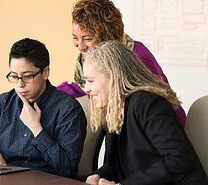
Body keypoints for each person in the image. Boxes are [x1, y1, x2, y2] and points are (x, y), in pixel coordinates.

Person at [83, 41, 208, 185]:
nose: (86, 89)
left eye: (90, 81)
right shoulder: (114, 109)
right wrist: (98, 175)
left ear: (114, 76)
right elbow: (117, 165)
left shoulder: (149, 103)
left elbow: (179, 159)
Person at [0, 38, 87, 178]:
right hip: (7, 179)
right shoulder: (3, 103)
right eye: (15, 77)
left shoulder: (68, 109)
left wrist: (36, 129)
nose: (20, 85)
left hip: (47, 180)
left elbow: (67, 169)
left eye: (27, 76)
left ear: (45, 73)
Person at [69, 0, 186, 126]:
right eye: (75, 38)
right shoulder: (90, 58)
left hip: (161, 127)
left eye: (87, 39)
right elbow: (85, 86)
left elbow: (151, 103)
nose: (80, 46)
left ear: (107, 36)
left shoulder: (137, 56)